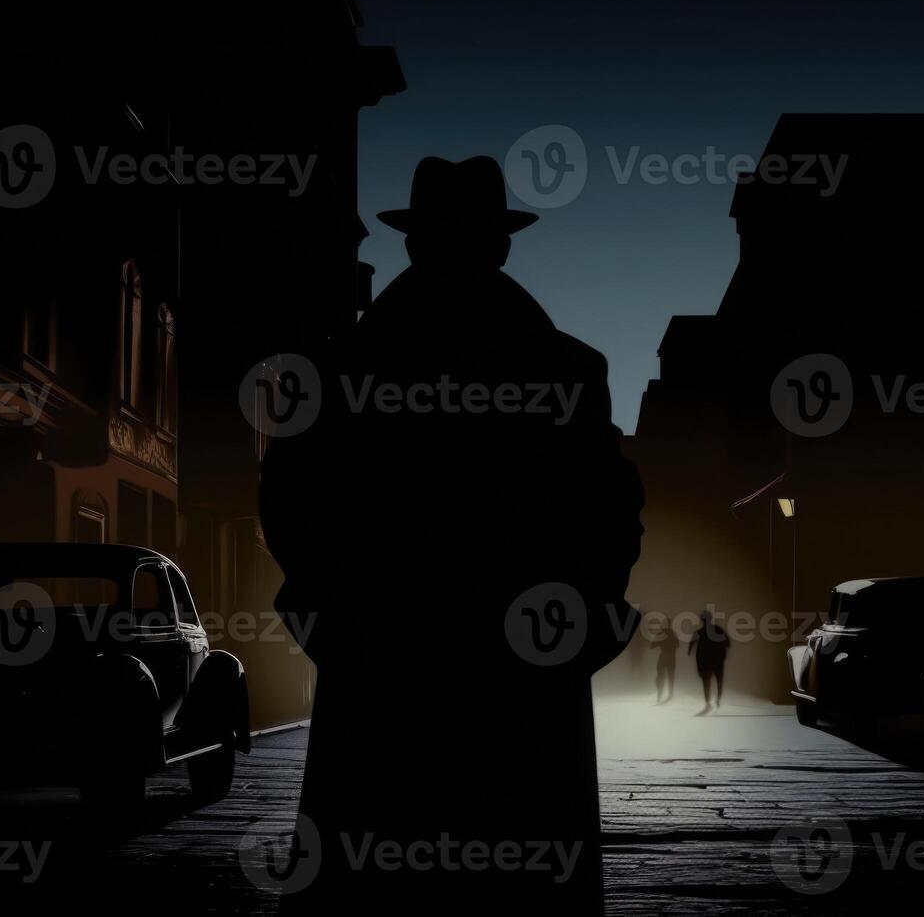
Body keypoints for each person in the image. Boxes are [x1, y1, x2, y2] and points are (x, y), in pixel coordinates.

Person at [259, 156, 644, 913]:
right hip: (520, 674)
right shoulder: (568, 369)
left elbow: (288, 501)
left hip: (385, 665)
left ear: (413, 244)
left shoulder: (342, 370)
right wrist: (583, 624)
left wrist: (331, 616)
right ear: (503, 246)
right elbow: (613, 512)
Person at [689, 608, 730, 712]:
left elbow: (691, 645)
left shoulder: (699, 632)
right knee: (719, 680)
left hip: (705, 662)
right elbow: (728, 643)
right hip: (717, 660)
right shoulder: (718, 630)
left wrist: (690, 651)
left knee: (706, 682)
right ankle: (718, 700)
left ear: (702, 620)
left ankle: (708, 703)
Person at [649, 613, 679, 704]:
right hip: (671, 657)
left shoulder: (660, 634)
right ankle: (670, 694)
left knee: (660, 676)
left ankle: (659, 695)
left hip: (663, 656)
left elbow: (651, 646)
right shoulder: (673, 634)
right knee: (671, 676)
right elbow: (677, 645)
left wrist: (659, 642)